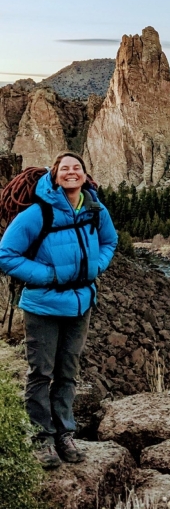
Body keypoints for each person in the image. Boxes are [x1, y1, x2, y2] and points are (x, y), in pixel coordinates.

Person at [0, 152, 117, 468]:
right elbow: (6, 254)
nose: (71, 172)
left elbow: (109, 241)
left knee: (68, 373)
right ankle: (42, 439)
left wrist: (96, 266)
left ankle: (64, 435)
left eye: (76, 167)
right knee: (41, 372)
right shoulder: (38, 213)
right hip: (44, 305)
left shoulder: (94, 208)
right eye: (64, 168)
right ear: (54, 175)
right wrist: (49, 275)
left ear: (84, 174)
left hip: (80, 304)